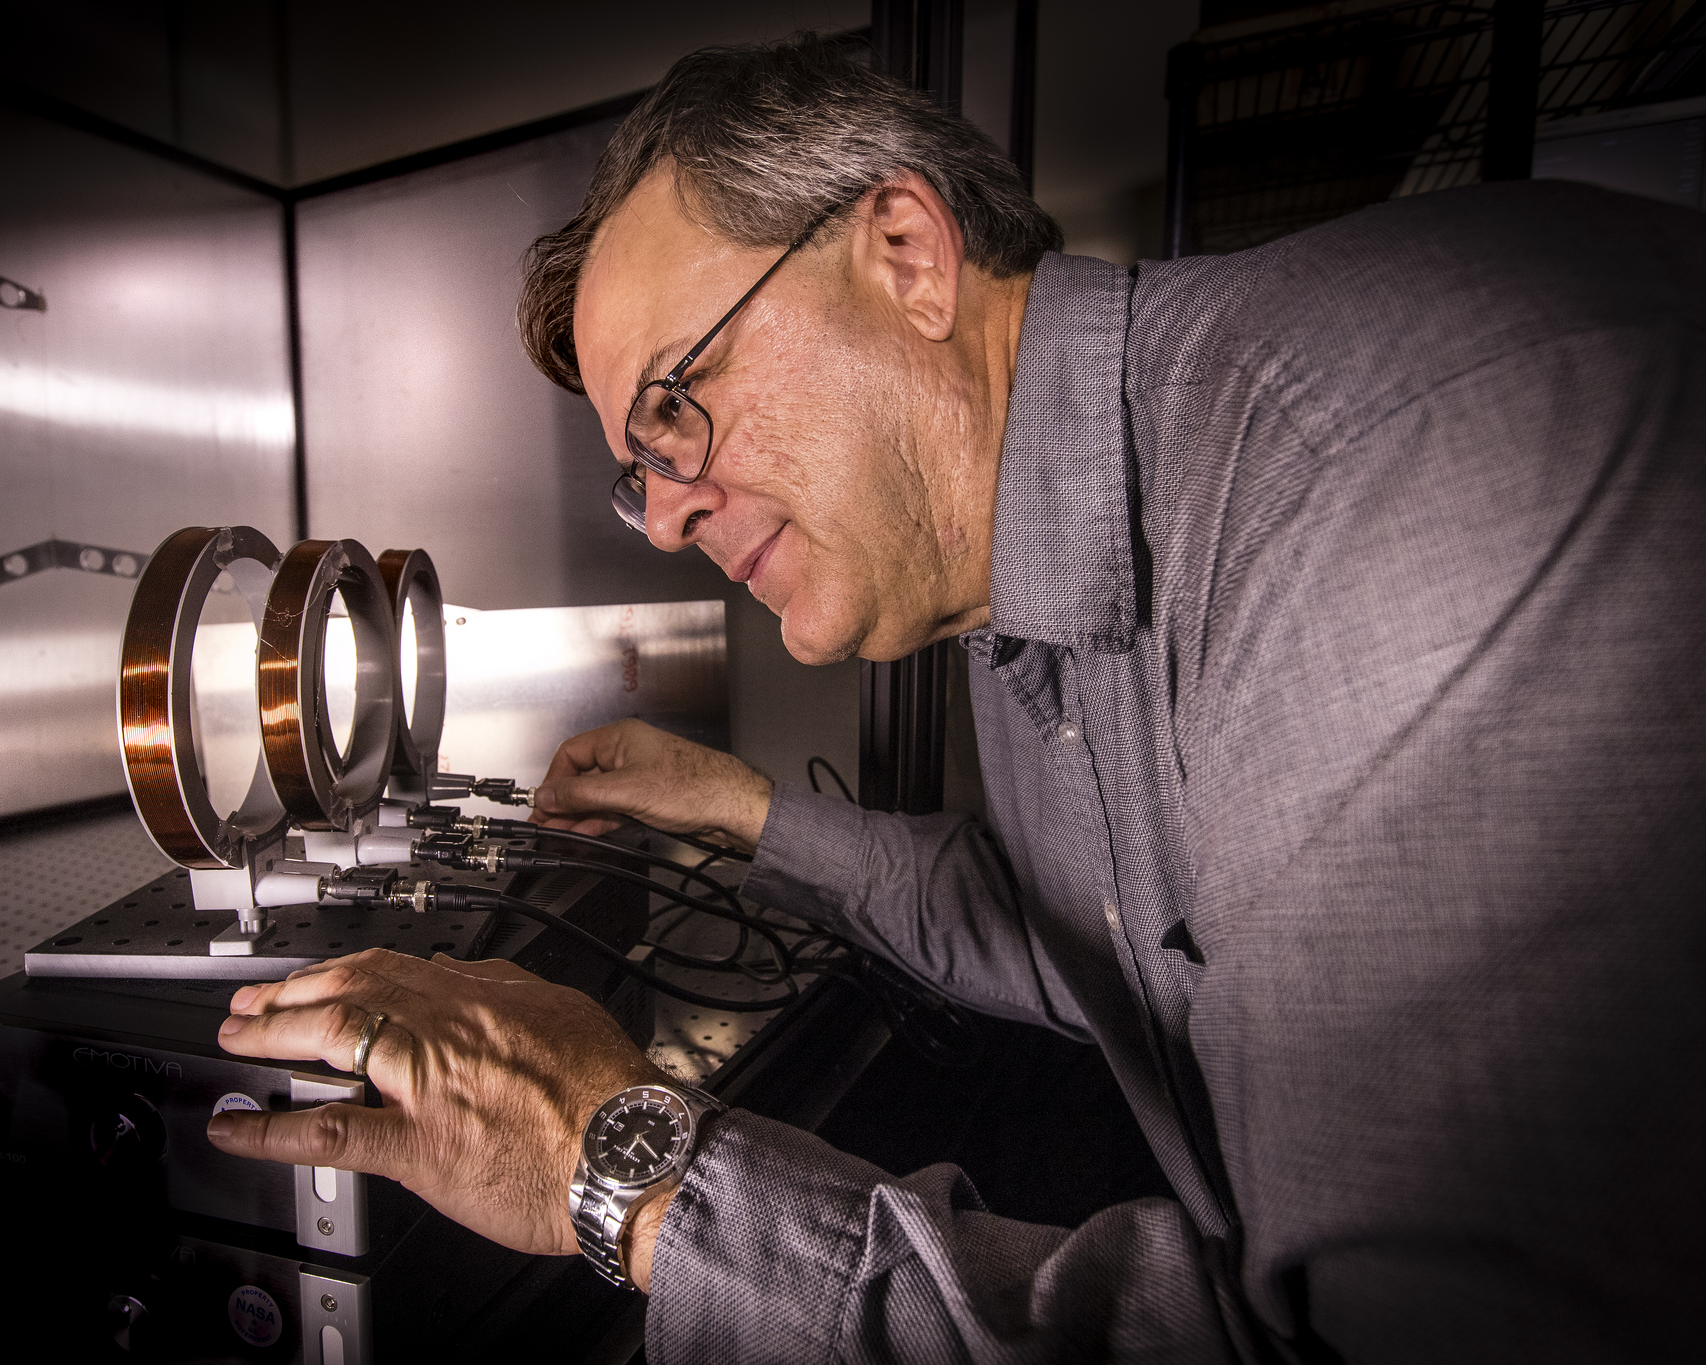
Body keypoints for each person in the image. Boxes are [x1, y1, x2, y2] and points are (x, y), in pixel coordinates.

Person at [205, 35, 1705, 1362]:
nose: (664, 518)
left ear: (907, 254)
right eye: (637, 471)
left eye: (677, 404)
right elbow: (1067, 929)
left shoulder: (1380, 488)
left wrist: (638, 1174)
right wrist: (732, 806)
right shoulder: (1018, 590)